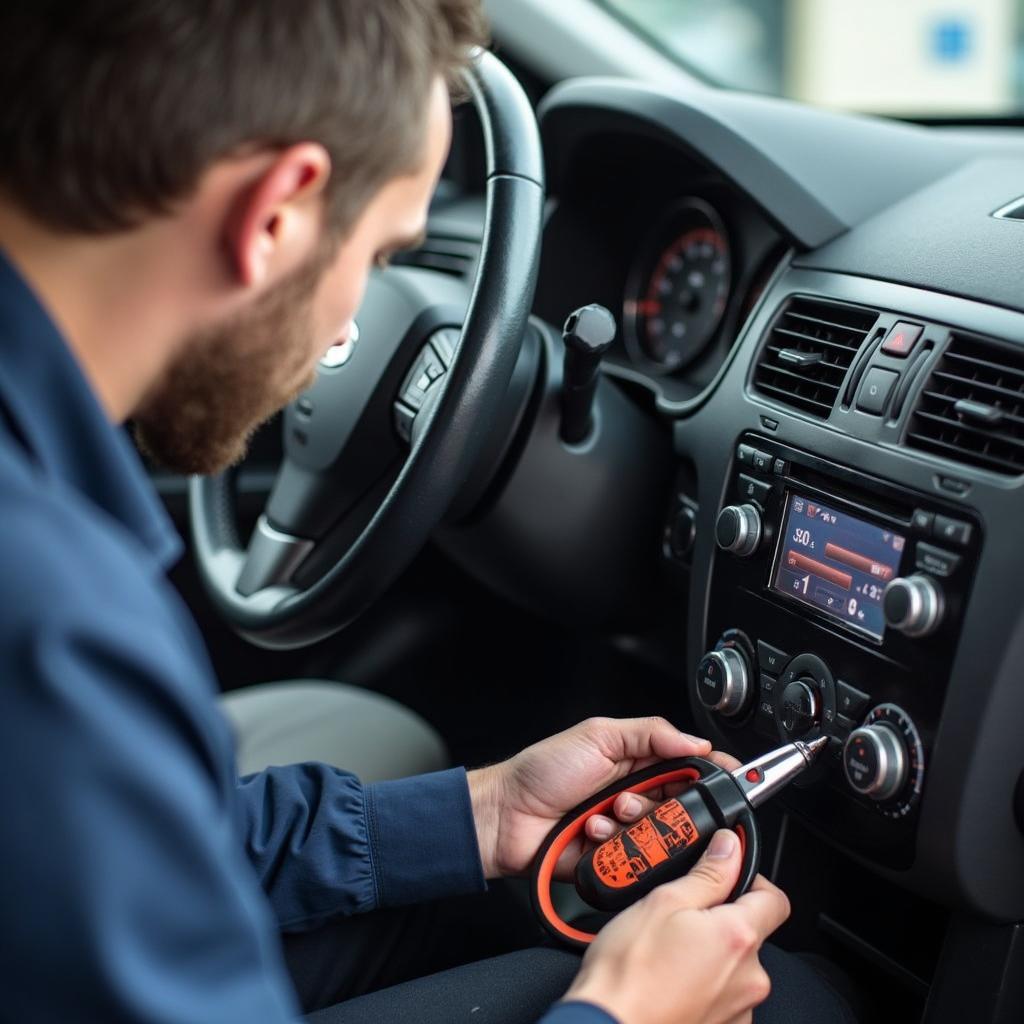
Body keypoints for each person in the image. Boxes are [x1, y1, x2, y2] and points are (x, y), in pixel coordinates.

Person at [0, 3, 859, 1022]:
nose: (354, 322)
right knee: (797, 998)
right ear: (276, 213)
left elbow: (125, 852)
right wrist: (621, 1015)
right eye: (374, 257)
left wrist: (480, 811)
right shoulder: (55, 629)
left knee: (493, 911)